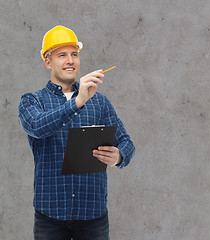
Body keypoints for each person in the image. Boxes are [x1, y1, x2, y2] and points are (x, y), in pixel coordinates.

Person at [18, 25, 135, 240]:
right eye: (62, 55)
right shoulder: (32, 101)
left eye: (74, 54)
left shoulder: (100, 102)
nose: (70, 60)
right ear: (47, 61)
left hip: (93, 216)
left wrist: (118, 156)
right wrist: (77, 102)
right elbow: (37, 126)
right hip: (49, 216)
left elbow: (126, 142)